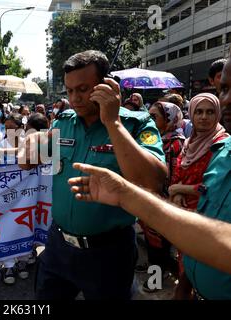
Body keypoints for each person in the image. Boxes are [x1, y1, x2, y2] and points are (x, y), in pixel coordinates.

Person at [19, 50, 167, 300]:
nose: (75, 98)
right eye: (69, 91)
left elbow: (152, 181)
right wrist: (31, 141)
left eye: (83, 89)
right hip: (58, 247)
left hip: (109, 254)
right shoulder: (63, 121)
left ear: (107, 86)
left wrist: (113, 122)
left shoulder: (137, 124)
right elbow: (26, 163)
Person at [68, 161, 231, 299]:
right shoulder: (217, 152)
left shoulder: (177, 142)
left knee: (159, 253)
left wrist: (179, 190)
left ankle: (156, 282)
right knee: (153, 250)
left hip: (173, 211)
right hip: (167, 208)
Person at [168, 93, 229, 297]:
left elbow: (212, 187)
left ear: (218, 114)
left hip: (208, 220)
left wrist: (178, 190)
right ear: (191, 115)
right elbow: (178, 173)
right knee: (186, 271)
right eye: (199, 112)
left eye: (210, 112)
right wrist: (176, 196)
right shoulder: (189, 142)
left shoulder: (222, 145)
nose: (204, 117)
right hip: (184, 218)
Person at [138, 101, 185, 291]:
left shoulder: (174, 143)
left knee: (159, 246)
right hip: (150, 198)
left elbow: (172, 178)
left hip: (162, 202)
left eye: (154, 117)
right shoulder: (153, 138)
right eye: (148, 116)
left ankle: (156, 280)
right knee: (152, 243)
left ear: (169, 120)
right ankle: (154, 270)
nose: (149, 120)